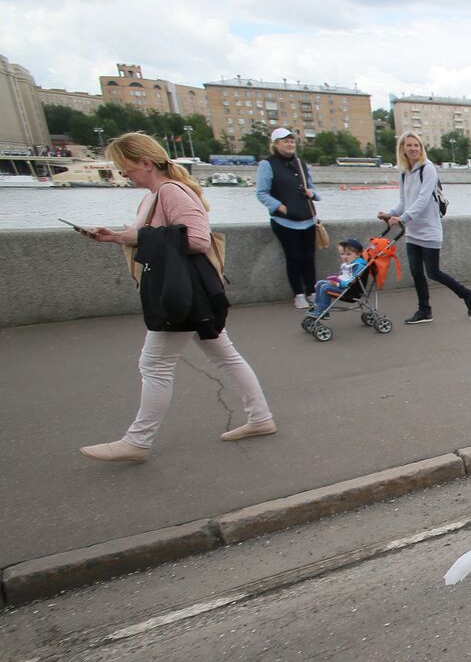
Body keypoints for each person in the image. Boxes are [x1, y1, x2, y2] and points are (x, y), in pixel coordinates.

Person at [75, 133, 275, 463]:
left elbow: (196, 239)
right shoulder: (156, 195)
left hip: (180, 292)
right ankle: (260, 418)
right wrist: (116, 237)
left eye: (125, 166)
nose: (123, 173)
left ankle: (138, 441)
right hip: (189, 291)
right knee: (226, 356)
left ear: (145, 162)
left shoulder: (169, 192)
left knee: (155, 364)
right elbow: (159, 238)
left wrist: (137, 236)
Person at [379, 132, 471, 325]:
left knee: (433, 272)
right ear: (402, 149)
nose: (413, 148)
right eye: (409, 145)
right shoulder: (404, 172)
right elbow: (404, 201)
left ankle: (467, 294)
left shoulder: (428, 168)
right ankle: (424, 310)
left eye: (417, 145)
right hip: (412, 231)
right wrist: (390, 214)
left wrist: (402, 218)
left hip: (429, 229)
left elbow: (423, 200)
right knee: (416, 272)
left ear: (421, 148)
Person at [255, 127, 321, 310]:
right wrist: (280, 207)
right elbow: (261, 193)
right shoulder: (267, 165)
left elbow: (315, 191)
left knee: (309, 257)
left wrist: (311, 193)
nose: (290, 144)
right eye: (285, 141)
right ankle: (298, 294)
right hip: (285, 221)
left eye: (292, 141)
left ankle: (312, 291)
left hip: (307, 219)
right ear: (275, 144)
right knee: (293, 257)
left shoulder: (301, 163)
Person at [310, 239, 367, 315]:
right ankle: (316, 306)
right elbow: (343, 276)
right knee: (320, 283)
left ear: (358, 254)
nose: (344, 257)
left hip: (349, 291)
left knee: (325, 287)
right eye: (342, 254)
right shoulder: (347, 264)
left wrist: (337, 284)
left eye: (348, 254)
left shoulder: (358, 266)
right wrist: (333, 279)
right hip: (343, 287)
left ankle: (322, 311)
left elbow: (352, 281)